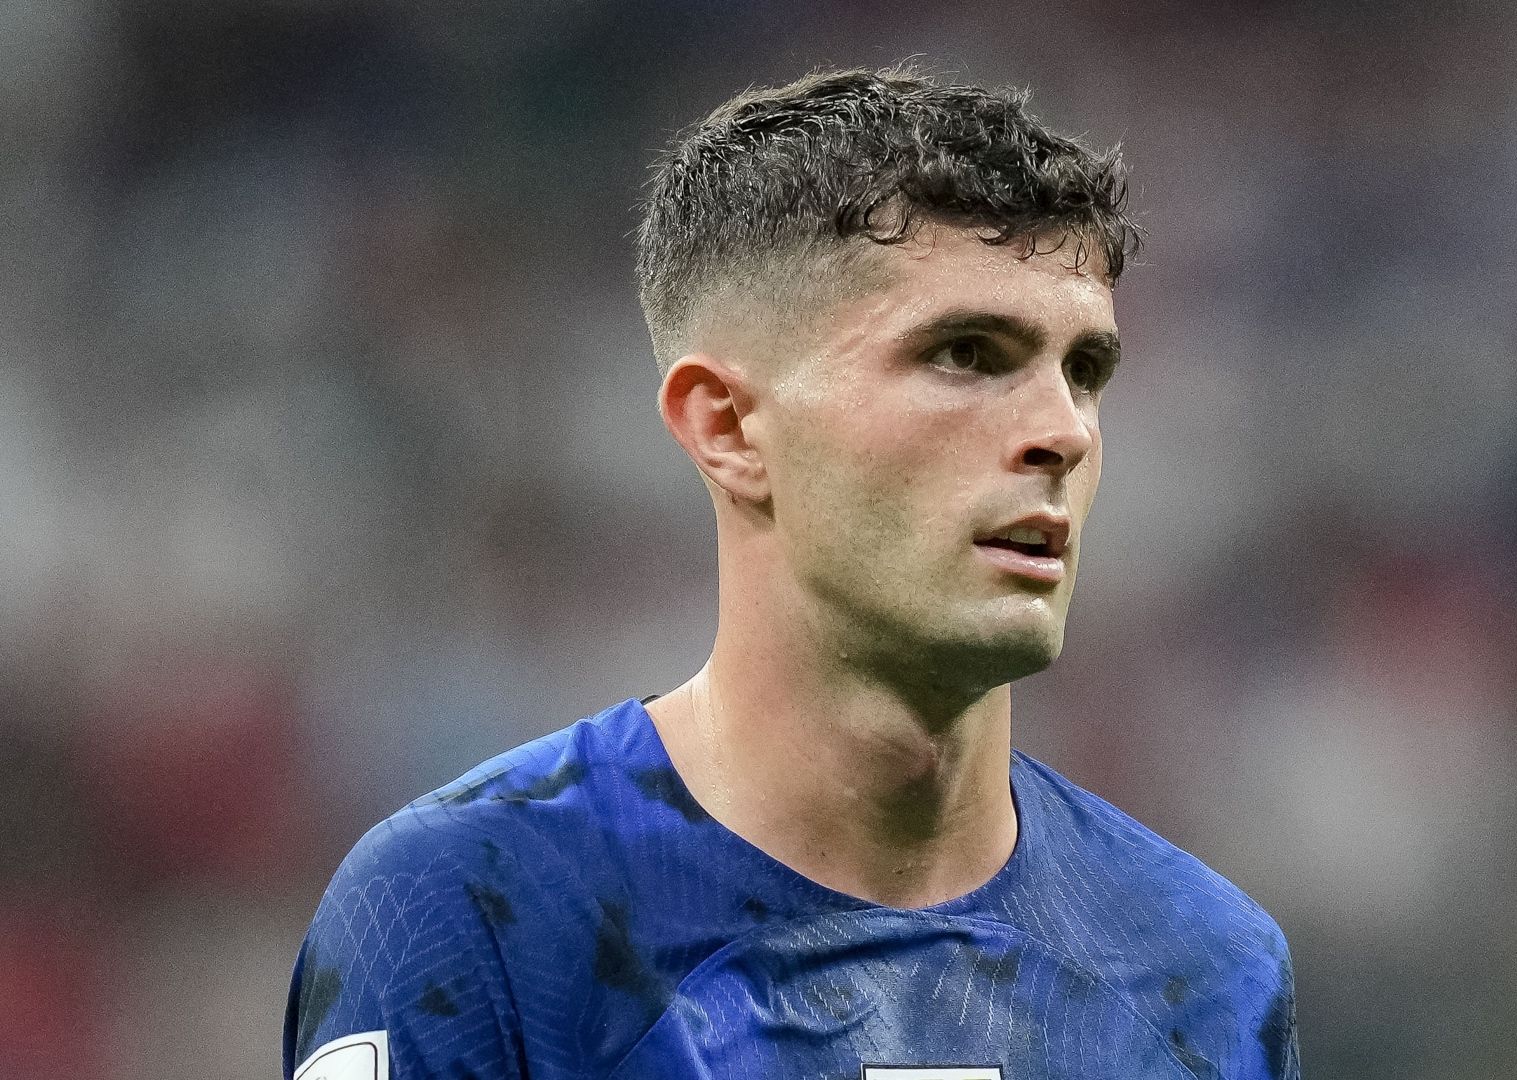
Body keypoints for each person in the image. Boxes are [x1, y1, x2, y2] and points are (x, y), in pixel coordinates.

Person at [285, 64, 1301, 1080]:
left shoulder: (1204, 968)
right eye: (966, 353)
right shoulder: (474, 911)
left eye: (1084, 370)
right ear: (727, 428)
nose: (1063, 432)